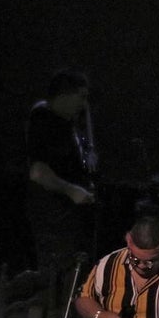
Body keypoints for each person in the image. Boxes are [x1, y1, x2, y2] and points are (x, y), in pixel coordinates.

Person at [26, 68, 98, 275]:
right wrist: (72, 191)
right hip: (52, 216)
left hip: (66, 216)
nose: (84, 104)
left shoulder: (68, 123)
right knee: (55, 274)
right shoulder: (43, 118)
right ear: (64, 95)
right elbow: (38, 172)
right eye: (81, 97)